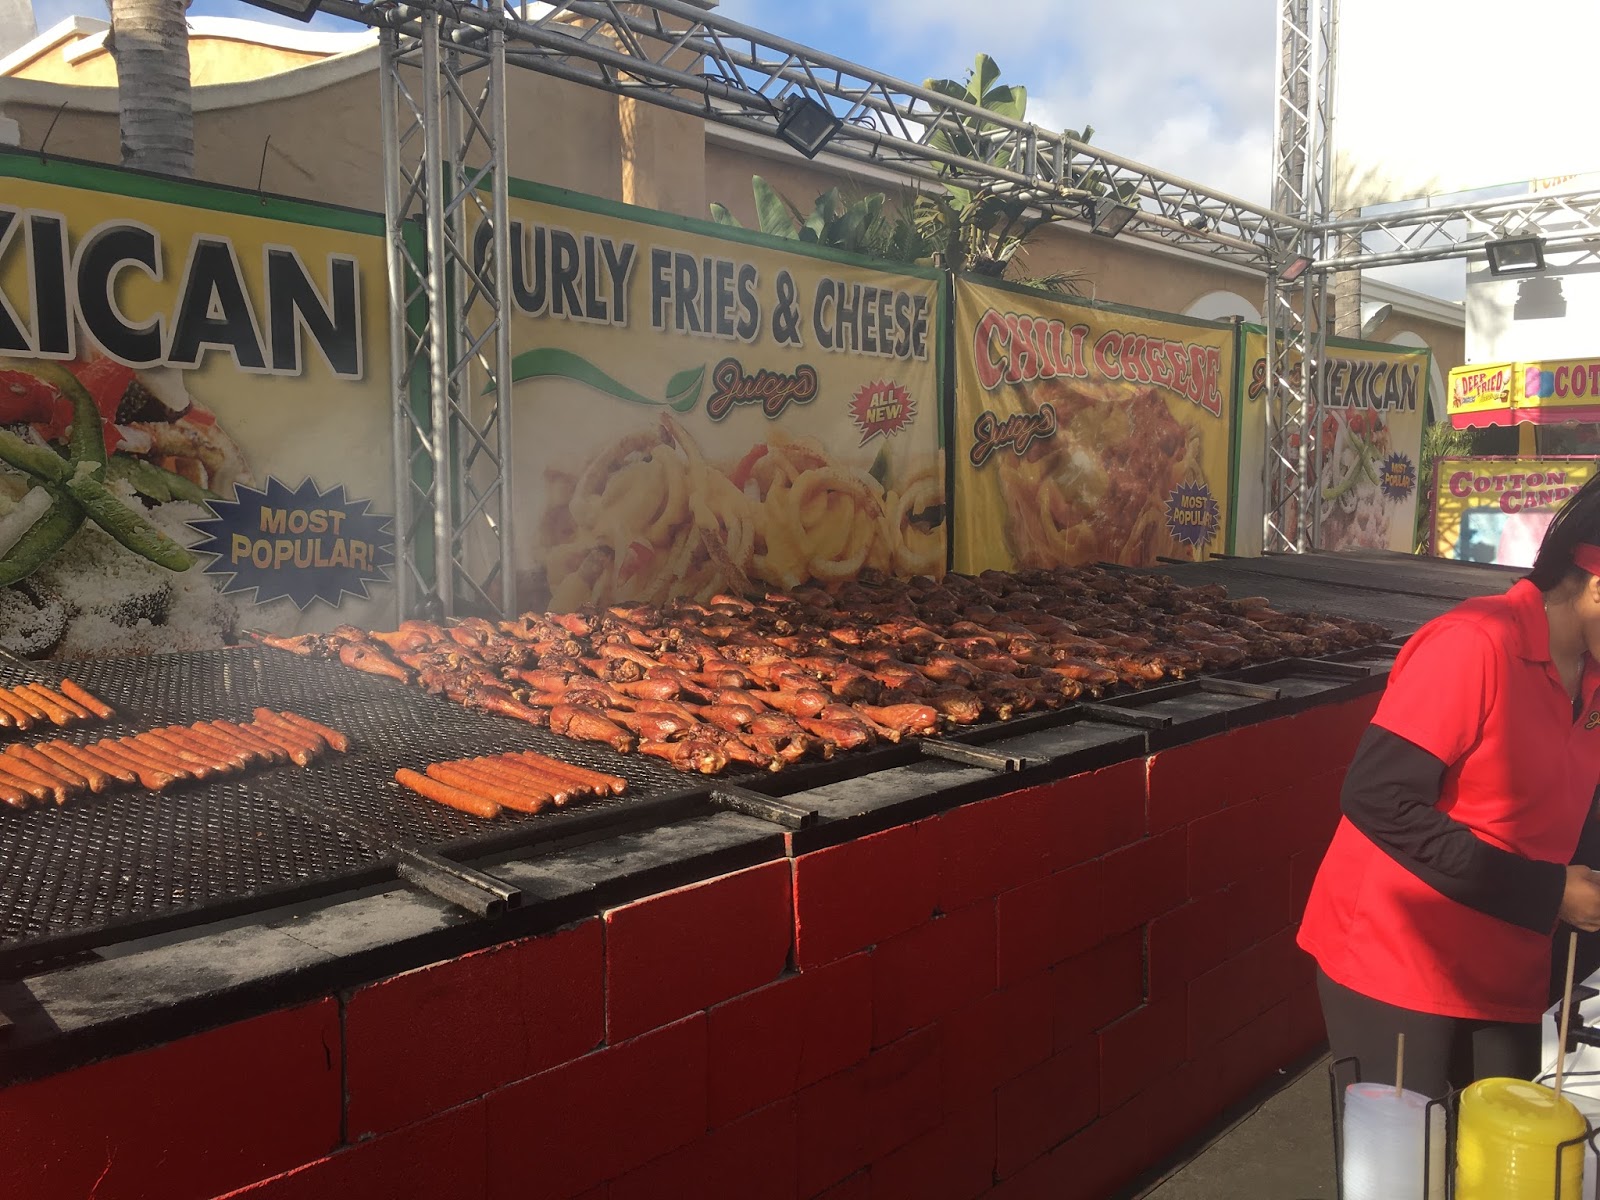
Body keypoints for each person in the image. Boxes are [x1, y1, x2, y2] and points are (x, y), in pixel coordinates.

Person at [1298, 472, 1600, 1099]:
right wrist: (1548, 891)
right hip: (1398, 956)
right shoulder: (1476, 644)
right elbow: (1377, 796)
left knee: (1495, 1159)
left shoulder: (1593, 678)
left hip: (1507, 959)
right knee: (1405, 1172)